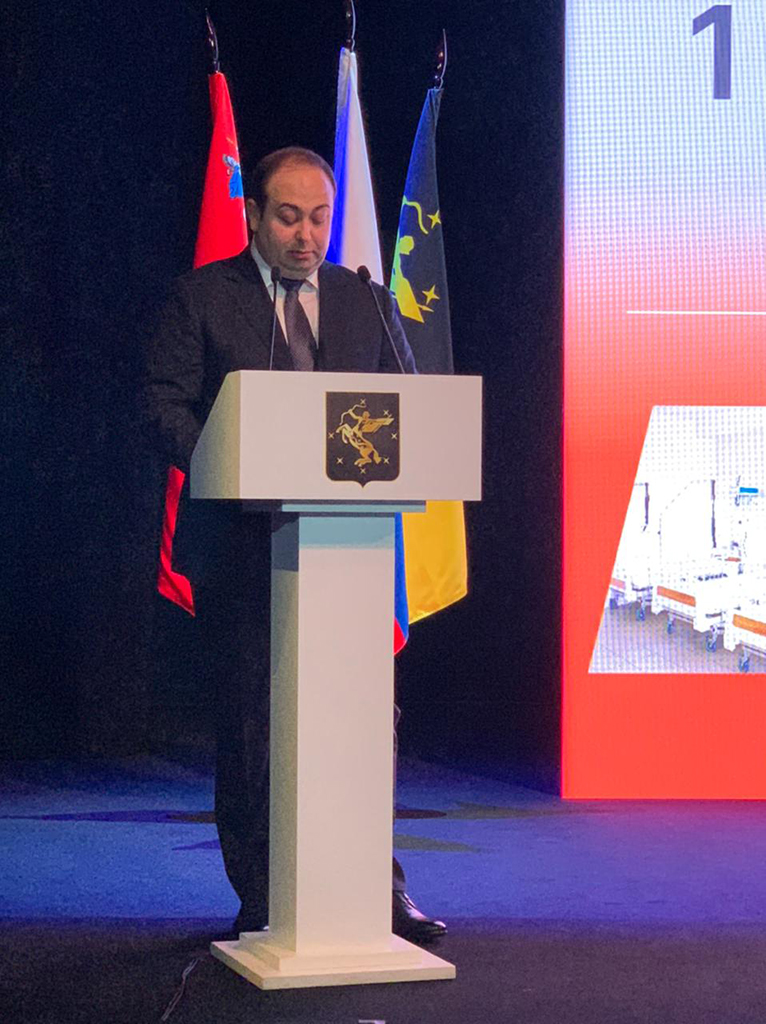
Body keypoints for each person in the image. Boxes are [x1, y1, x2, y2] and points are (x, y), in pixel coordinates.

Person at [146, 147, 446, 945]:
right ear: (254, 215)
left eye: (319, 218)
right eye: (288, 217)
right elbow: (161, 406)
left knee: (362, 721)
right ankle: (263, 892)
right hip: (244, 551)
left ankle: (379, 889)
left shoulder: (364, 299)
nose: (306, 235)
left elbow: (410, 408)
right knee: (255, 725)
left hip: (347, 555)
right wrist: (231, 457)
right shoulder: (203, 298)